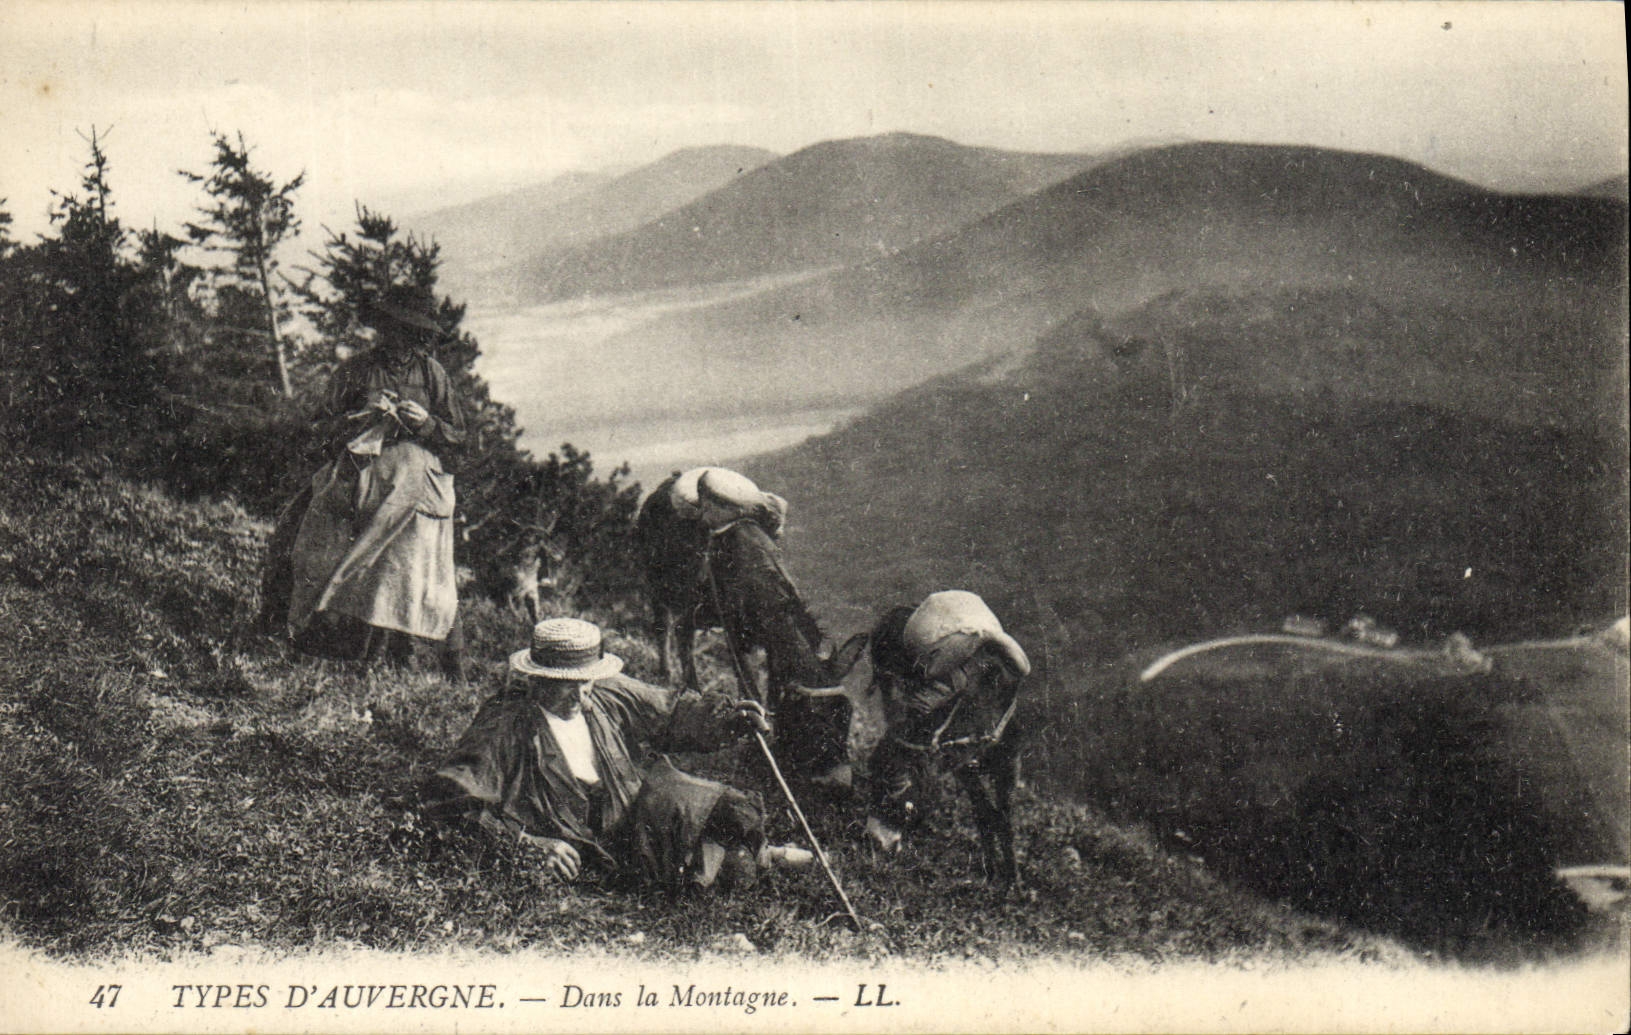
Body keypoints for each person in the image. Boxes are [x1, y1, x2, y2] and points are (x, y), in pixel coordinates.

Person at [419, 618, 813, 889]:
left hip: (630, 802)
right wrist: (527, 844)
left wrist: (730, 718)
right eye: (563, 685)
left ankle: (760, 851)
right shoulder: (506, 723)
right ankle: (759, 859)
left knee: (710, 805)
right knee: (711, 866)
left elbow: (671, 711)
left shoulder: (602, 690)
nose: (579, 695)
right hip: (579, 832)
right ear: (537, 677)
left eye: (585, 682)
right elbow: (451, 796)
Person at [262, 283, 469, 678]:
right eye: (391, 329)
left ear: (419, 336)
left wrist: (427, 425)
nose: (398, 340)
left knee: (425, 560)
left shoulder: (432, 374)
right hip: (358, 477)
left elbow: (460, 438)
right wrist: (358, 419)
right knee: (298, 531)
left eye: (408, 332)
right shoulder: (355, 370)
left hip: (416, 481)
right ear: (382, 329)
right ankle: (290, 628)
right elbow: (317, 431)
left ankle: (446, 660)